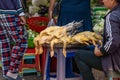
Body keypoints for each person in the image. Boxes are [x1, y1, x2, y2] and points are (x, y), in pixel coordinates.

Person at [74, 0, 120, 80]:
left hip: (116, 63)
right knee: (88, 48)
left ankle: (114, 74)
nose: (103, 1)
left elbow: (113, 42)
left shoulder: (112, 16)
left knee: (79, 55)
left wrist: (100, 51)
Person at [0, 0, 28, 80]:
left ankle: (7, 73)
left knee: (4, 43)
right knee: (22, 42)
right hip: (10, 10)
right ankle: (12, 72)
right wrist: (20, 12)